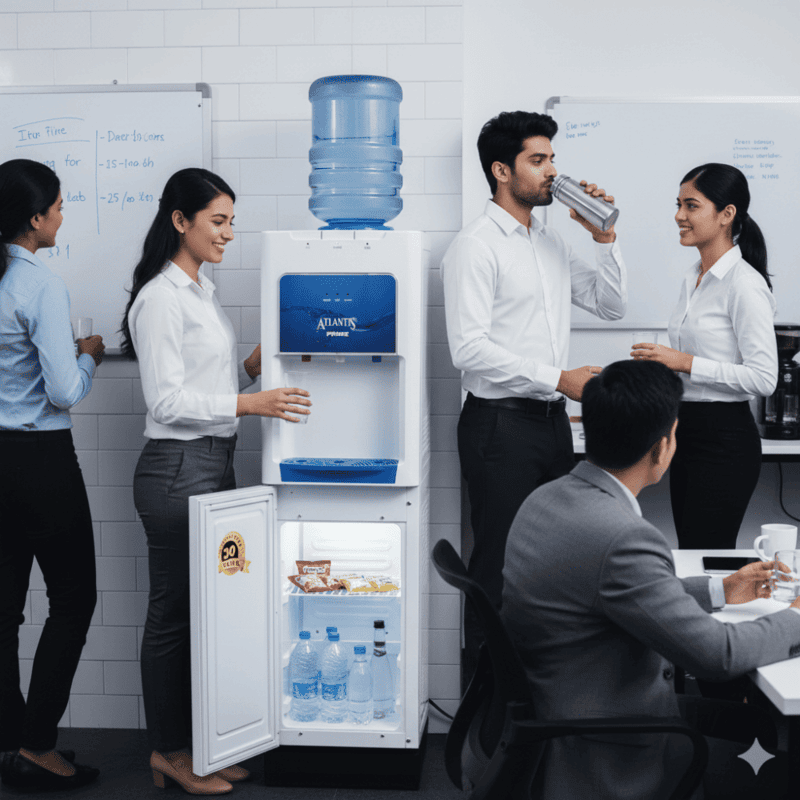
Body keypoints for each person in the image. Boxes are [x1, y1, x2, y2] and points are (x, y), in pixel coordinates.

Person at [502, 359, 800, 800]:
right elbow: (717, 655)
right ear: (662, 447)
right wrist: (795, 618)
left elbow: (604, 593)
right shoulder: (623, 536)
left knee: (750, 723)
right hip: (612, 746)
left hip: (567, 711)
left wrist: (719, 589)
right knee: (782, 775)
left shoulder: (545, 499)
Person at [120, 168, 311, 795]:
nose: (229, 233)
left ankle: (202, 746)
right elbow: (168, 399)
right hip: (178, 468)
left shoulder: (200, 290)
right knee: (173, 616)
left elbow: (209, 379)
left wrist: (258, 363)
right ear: (181, 221)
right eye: (218, 221)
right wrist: (251, 404)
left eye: (232, 220)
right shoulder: (159, 297)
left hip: (211, 465)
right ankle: (168, 753)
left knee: (208, 613)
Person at [440, 110, 627, 684]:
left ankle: (541, 696)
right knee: (499, 564)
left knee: (551, 561)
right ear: (502, 170)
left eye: (552, 159)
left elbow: (610, 305)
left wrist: (604, 239)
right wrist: (557, 377)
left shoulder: (548, 242)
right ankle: (492, 708)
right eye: (538, 160)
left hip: (551, 425)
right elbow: (468, 350)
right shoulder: (474, 247)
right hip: (499, 426)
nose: (551, 172)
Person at [0, 159, 104, 792]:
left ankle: (11, 739)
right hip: (39, 460)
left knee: (4, 609)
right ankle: (38, 746)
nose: (63, 216)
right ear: (35, 219)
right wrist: (88, 356)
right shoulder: (39, 282)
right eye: (60, 207)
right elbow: (64, 391)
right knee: (73, 598)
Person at [632, 163, 777, 549]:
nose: (679, 216)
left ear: (726, 214)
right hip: (686, 430)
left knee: (706, 554)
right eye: (678, 205)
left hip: (724, 437)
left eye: (691, 206)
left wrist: (683, 362)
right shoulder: (692, 277)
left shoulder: (744, 285)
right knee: (692, 552)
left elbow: (764, 378)